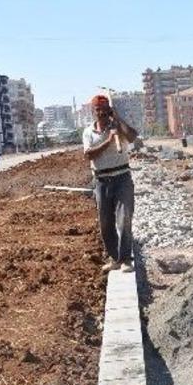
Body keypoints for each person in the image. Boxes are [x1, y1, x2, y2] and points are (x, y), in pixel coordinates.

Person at [83, 94, 138, 273]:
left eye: (105, 110)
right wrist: (108, 141)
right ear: (93, 111)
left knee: (124, 219)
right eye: (98, 110)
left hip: (122, 178)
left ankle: (125, 259)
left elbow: (132, 137)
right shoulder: (88, 132)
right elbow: (89, 154)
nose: (101, 113)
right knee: (106, 223)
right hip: (101, 181)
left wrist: (118, 120)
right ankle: (115, 258)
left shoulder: (118, 127)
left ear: (109, 110)